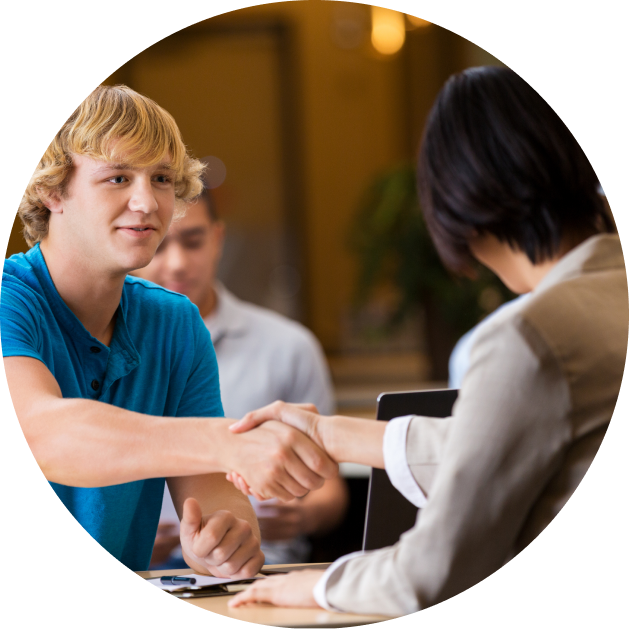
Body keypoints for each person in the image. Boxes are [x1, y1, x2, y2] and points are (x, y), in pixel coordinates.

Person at [225, 66, 628, 614]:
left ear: (460, 202)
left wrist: (317, 586)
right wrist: (329, 433)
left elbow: (436, 570)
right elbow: (492, 446)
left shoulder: (528, 338)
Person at [1, 85, 337, 575]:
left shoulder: (175, 322)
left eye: (160, 178)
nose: (147, 202)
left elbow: (218, 504)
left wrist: (222, 544)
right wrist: (231, 441)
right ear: (53, 190)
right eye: (117, 178)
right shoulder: (11, 299)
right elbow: (43, 437)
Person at [132, 181, 348, 567]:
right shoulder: (103, 349)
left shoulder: (289, 346)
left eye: (194, 241)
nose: (178, 262)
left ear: (218, 238)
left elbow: (330, 490)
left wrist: (303, 515)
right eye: (160, 244)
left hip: (264, 565)